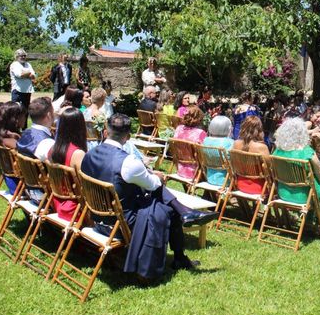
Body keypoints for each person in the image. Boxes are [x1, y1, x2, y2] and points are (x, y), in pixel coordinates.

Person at [81, 113, 217, 274]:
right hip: (121, 225)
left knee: (158, 196)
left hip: (97, 220)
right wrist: (156, 176)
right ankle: (182, 230)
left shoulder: (88, 155)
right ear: (128, 137)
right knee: (167, 207)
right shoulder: (128, 162)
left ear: (105, 132)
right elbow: (154, 185)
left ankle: (185, 217)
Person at [272, 118, 320, 227]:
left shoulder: (277, 151)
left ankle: (308, 221)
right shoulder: (307, 151)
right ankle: (319, 224)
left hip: (283, 193)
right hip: (304, 196)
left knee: (313, 187)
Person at [48, 107, 87, 221]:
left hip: (58, 203)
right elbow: (84, 185)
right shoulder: (77, 154)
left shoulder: (53, 149)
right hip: (75, 209)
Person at [0, 102, 27, 194]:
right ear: (16, 119)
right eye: (24, 116)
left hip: (11, 181)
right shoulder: (11, 139)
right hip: (21, 186)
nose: (25, 119)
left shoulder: (2, 135)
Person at [232, 116, 270, 193]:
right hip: (259, 187)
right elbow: (270, 168)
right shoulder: (261, 147)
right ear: (259, 129)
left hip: (240, 184)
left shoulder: (235, 144)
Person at [173, 105, 207, 179]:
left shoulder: (178, 128)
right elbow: (204, 154)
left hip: (180, 169)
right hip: (196, 171)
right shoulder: (200, 133)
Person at [202, 115, 234, 185]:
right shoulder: (230, 143)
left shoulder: (205, 140)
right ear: (228, 128)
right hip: (226, 180)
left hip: (209, 177)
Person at [9, 49, 36, 119]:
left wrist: (27, 73)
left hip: (27, 90)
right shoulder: (14, 64)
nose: (23, 57)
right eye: (21, 56)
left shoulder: (28, 64)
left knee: (25, 110)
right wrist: (29, 73)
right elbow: (19, 75)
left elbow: (33, 75)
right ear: (17, 56)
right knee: (15, 110)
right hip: (17, 90)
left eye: (24, 56)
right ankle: (14, 127)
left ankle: (24, 128)